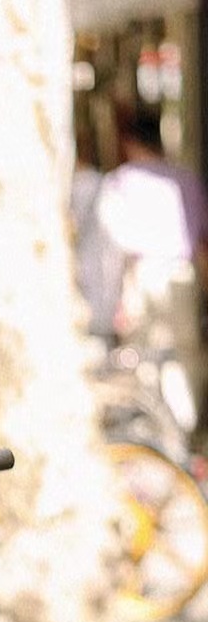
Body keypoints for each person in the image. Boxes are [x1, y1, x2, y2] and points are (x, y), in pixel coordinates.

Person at [97, 109, 208, 436]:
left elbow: (112, 250)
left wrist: (115, 298)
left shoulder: (122, 182)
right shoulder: (185, 180)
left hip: (143, 276)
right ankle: (184, 431)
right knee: (184, 355)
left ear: (130, 142)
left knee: (145, 359)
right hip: (181, 277)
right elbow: (202, 243)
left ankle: (160, 435)